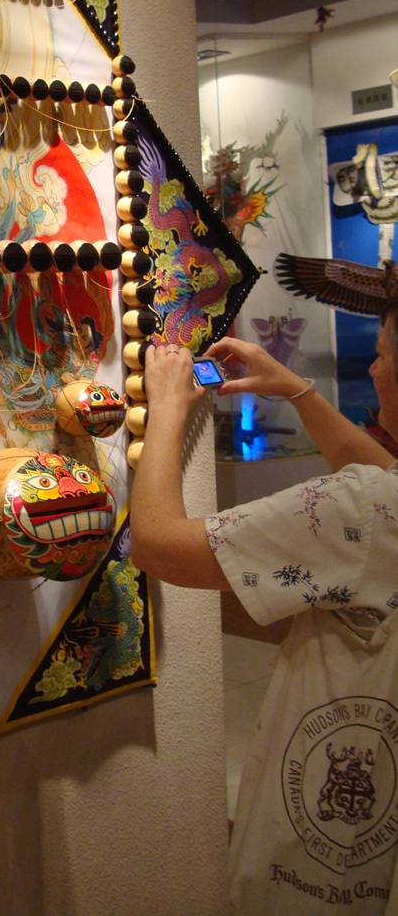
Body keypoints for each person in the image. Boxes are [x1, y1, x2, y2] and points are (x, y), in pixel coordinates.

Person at [131, 311, 398, 915]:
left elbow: (157, 545)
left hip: (325, 868)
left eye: (382, 354)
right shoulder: (380, 498)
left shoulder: (359, 511)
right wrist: (297, 391)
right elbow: (385, 473)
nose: (374, 367)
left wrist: (168, 405)